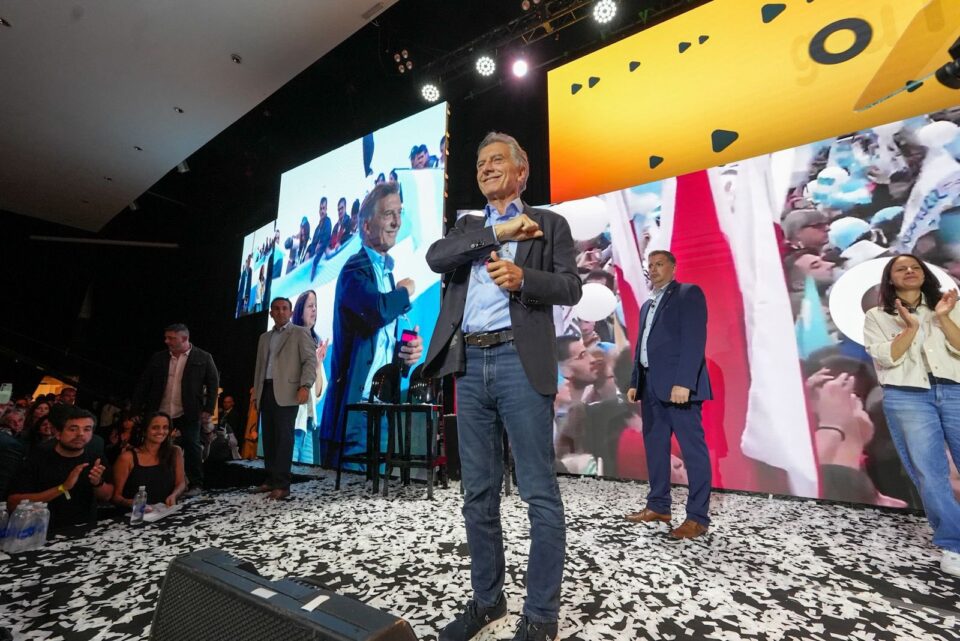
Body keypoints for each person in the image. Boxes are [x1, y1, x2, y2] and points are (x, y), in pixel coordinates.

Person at [424, 132, 581, 641]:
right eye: (480, 163)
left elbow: (571, 287)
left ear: (522, 170)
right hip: (469, 366)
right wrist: (498, 232)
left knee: (538, 493)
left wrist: (523, 279)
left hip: (519, 360)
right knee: (478, 495)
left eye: (497, 160)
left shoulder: (550, 224)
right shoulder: (468, 228)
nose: (487, 168)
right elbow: (436, 258)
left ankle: (541, 616)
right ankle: (487, 602)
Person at [863, 253, 960, 577]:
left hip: (955, 389)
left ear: (925, 274)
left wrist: (943, 317)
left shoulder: (949, 305)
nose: (909, 271)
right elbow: (887, 357)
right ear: (890, 278)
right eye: (900, 268)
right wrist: (912, 327)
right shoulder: (877, 316)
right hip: (908, 396)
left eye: (915, 267)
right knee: (930, 472)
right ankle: (953, 545)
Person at [319, 182, 423, 466]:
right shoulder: (354, 270)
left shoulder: (386, 275)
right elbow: (377, 311)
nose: (397, 222)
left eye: (399, 213)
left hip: (383, 413)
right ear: (366, 227)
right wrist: (405, 291)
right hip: (355, 416)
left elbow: (379, 345)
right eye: (389, 214)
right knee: (349, 491)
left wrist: (405, 356)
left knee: (376, 494)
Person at [626, 250, 713, 540]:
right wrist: (635, 381)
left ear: (674, 267)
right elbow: (642, 346)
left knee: (692, 451)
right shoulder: (647, 305)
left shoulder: (688, 294)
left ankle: (697, 517)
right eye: (650, 265)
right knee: (655, 448)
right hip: (650, 385)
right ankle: (658, 506)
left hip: (678, 388)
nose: (653, 269)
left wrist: (684, 383)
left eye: (659, 264)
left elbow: (694, 341)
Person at [132, 323, 219, 495]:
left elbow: (213, 384)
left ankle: (196, 483)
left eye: (171, 338)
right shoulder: (158, 358)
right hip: (160, 410)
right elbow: (144, 383)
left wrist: (208, 409)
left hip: (188, 410)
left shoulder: (203, 357)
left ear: (184, 338)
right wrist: (135, 409)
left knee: (192, 445)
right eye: (166, 337)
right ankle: (155, 481)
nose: (167, 341)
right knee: (155, 444)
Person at [252, 297, 317, 500]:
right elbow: (259, 368)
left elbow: (309, 362)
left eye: (284, 308)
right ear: (270, 312)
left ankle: (282, 484)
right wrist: (256, 392)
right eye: (276, 309)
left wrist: (305, 386)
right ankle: (271, 479)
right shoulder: (264, 337)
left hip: (288, 392)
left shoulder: (300, 332)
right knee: (269, 438)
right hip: (266, 390)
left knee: (283, 440)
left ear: (291, 312)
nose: (280, 312)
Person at [7, 408, 112, 532]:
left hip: (85, 530)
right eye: (73, 429)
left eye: (87, 429)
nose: (80, 434)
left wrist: (97, 483)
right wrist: (62, 488)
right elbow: (13, 503)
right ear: (57, 433)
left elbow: (107, 496)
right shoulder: (37, 458)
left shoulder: (95, 457)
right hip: (42, 531)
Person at [111, 412, 186, 509]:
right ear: (144, 431)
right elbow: (115, 497)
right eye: (155, 428)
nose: (161, 431)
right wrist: (131, 503)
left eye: (165, 427)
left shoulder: (175, 452)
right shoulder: (127, 458)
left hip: (167, 511)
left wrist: (174, 495)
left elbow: (181, 483)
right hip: (136, 514)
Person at [291, 290, 328, 464]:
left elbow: (318, 394)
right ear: (300, 311)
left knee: (305, 476)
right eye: (310, 306)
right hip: (292, 422)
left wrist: (318, 365)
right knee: (287, 473)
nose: (314, 309)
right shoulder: (290, 339)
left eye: (316, 306)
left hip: (307, 424)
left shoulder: (315, 344)